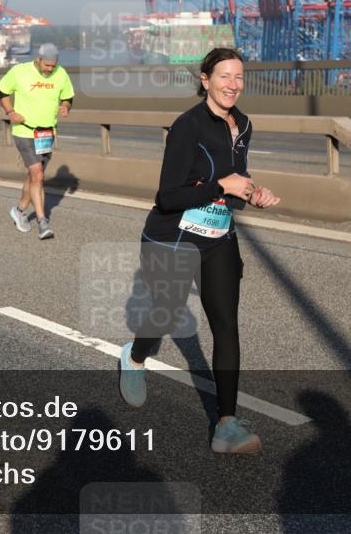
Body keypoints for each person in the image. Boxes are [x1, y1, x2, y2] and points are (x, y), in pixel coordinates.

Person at [118, 47, 280, 454]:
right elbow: (168, 196)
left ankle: (227, 423)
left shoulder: (243, 125)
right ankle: (135, 357)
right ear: (205, 80)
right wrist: (221, 186)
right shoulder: (187, 126)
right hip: (172, 236)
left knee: (226, 324)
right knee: (165, 312)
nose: (233, 84)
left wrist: (251, 191)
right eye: (224, 76)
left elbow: (232, 179)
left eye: (239, 77)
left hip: (218, 238)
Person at [0, 43, 74, 239]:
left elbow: (68, 97)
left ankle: (20, 210)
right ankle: (42, 223)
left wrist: (65, 107)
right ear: (38, 59)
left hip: (46, 133)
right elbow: (2, 92)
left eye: (53, 66)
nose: (50, 69)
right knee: (38, 175)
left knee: (34, 176)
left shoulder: (61, 73)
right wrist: (11, 112)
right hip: (24, 131)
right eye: (47, 65)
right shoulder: (20, 71)